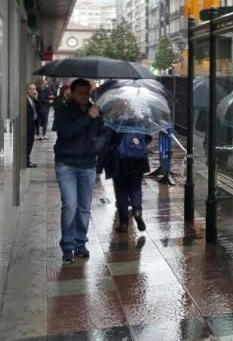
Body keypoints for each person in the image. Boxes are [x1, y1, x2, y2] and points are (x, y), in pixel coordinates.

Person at [53, 78, 109, 263]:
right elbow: (67, 133)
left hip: (88, 165)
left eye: (87, 92)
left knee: (84, 207)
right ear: (72, 92)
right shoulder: (63, 111)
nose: (84, 96)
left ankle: (80, 242)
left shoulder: (96, 111)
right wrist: (88, 117)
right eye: (80, 92)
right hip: (66, 164)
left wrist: (96, 146)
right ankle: (67, 245)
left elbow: (104, 133)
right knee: (70, 204)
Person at [103, 130, 151, 233]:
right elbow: (148, 137)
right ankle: (137, 211)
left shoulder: (116, 119)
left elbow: (108, 139)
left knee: (121, 191)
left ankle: (124, 223)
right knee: (136, 188)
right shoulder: (141, 119)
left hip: (120, 161)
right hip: (138, 159)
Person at [25, 84, 40, 168]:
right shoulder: (25, 99)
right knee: (27, 143)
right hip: (27, 125)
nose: (33, 91)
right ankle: (26, 161)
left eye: (34, 89)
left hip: (32, 124)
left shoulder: (32, 99)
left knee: (30, 143)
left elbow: (40, 110)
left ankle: (27, 160)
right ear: (27, 90)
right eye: (31, 89)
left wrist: (36, 98)